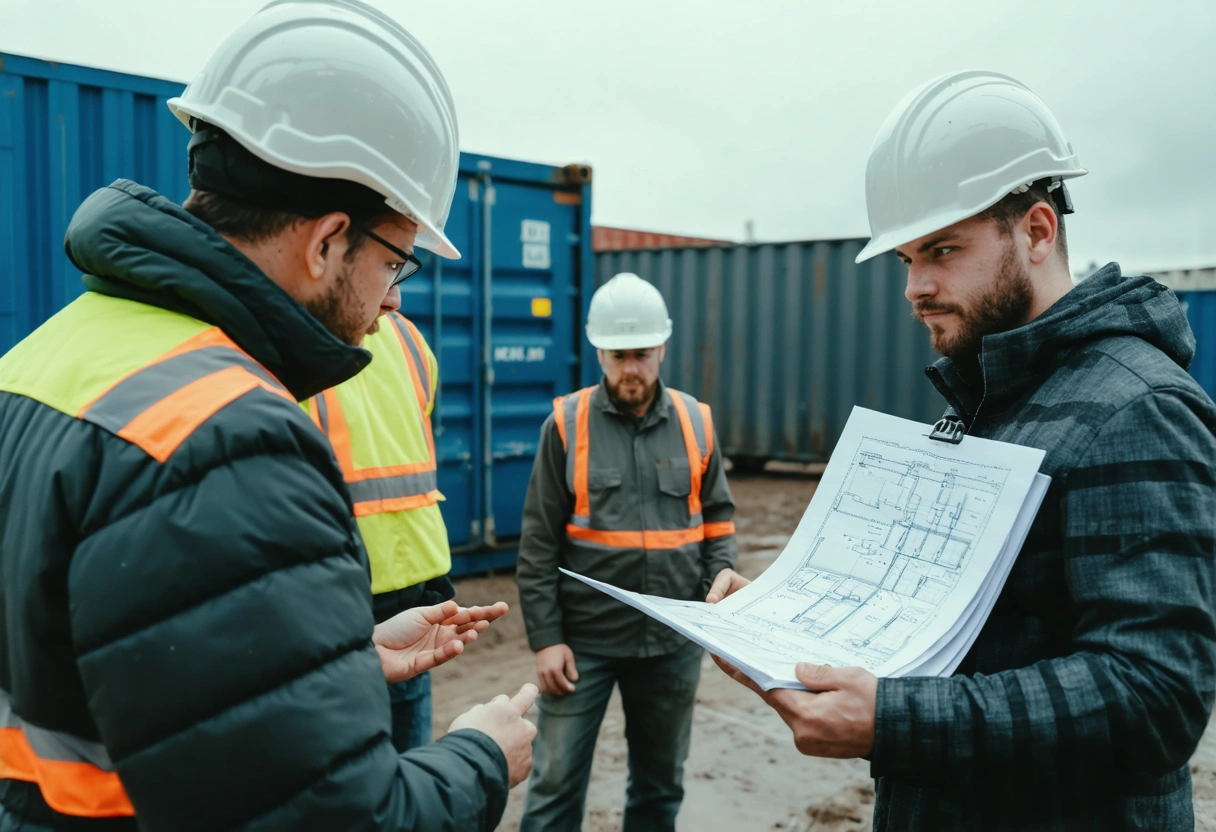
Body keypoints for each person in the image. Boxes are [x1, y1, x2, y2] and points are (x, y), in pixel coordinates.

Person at [0, 2, 536, 829]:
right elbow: (341, 818)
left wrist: (329, 665)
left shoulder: (39, 361)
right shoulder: (231, 437)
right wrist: (481, 760)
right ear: (326, 242)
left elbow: (101, 667)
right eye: (396, 261)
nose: (395, 300)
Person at [710, 70, 1216, 831]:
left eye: (942, 250)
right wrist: (784, 624)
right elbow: (950, 628)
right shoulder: (991, 396)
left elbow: (1154, 696)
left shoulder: (1136, 407)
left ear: (1038, 232)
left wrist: (894, 723)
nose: (915, 287)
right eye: (907, 258)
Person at [516, 273, 740, 831]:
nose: (631, 369)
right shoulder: (565, 425)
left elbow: (717, 518)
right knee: (553, 786)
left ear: (661, 348)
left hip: (672, 642)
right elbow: (538, 542)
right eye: (619, 356)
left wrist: (721, 577)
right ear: (599, 353)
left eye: (641, 354)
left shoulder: (696, 421)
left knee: (660, 787)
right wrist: (547, 640)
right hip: (584, 645)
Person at [304, 306, 455, 753]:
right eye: (392, 266)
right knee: (402, 773)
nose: (397, 297)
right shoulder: (412, 341)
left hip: (351, 590)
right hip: (406, 586)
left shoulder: (290, 343)